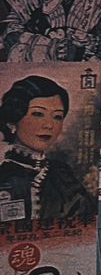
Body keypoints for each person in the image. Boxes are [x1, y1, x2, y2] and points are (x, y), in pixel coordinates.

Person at [0, 74, 93, 227]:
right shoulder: (5, 176)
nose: (49, 125)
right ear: (12, 122)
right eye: (38, 114)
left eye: (57, 117)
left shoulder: (63, 173)